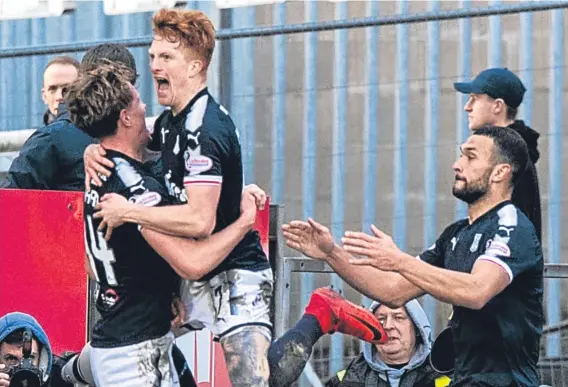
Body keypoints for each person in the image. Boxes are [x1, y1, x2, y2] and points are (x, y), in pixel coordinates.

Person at [83, 8, 273, 386]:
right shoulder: (169, 120)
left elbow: (199, 222)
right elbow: (123, 134)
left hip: (233, 269)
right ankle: (65, 369)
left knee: (253, 379)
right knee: (125, 348)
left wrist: (129, 211)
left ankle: (317, 317)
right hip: (190, 272)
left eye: (166, 57)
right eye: (153, 55)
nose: (154, 65)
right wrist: (92, 149)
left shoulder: (204, 129)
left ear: (195, 67)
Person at [283, 127, 543, 387]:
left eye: (470, 156)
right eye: (460, 155)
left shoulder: (512, 227)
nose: (457, 164)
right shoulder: (455, 234)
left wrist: (399, 261)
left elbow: (478, 290)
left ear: (500, 172)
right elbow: (392, 290)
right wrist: (331, 253)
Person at [0, 44, 137, 191]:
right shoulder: (50, 139)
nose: (60, 96)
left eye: (67, 87)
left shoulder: (145, 134)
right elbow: (10, 198)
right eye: (53, 88)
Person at [266, 287, 450, 387]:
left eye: (399, 318)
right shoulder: (348, 379)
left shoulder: (446, 377)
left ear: (417, 328)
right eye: (381, 319)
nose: (388, 325)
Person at [454, 67, 542, 242]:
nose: (467, 107)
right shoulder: (512, 154)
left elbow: (513, 238)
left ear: (497, 106)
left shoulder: (512, 160)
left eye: (475, 99)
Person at [41, 56, 80, 126]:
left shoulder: (98, 135)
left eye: (67, 89)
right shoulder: (38, 136)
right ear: (44, 96)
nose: (59, 97)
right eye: (53, 89)